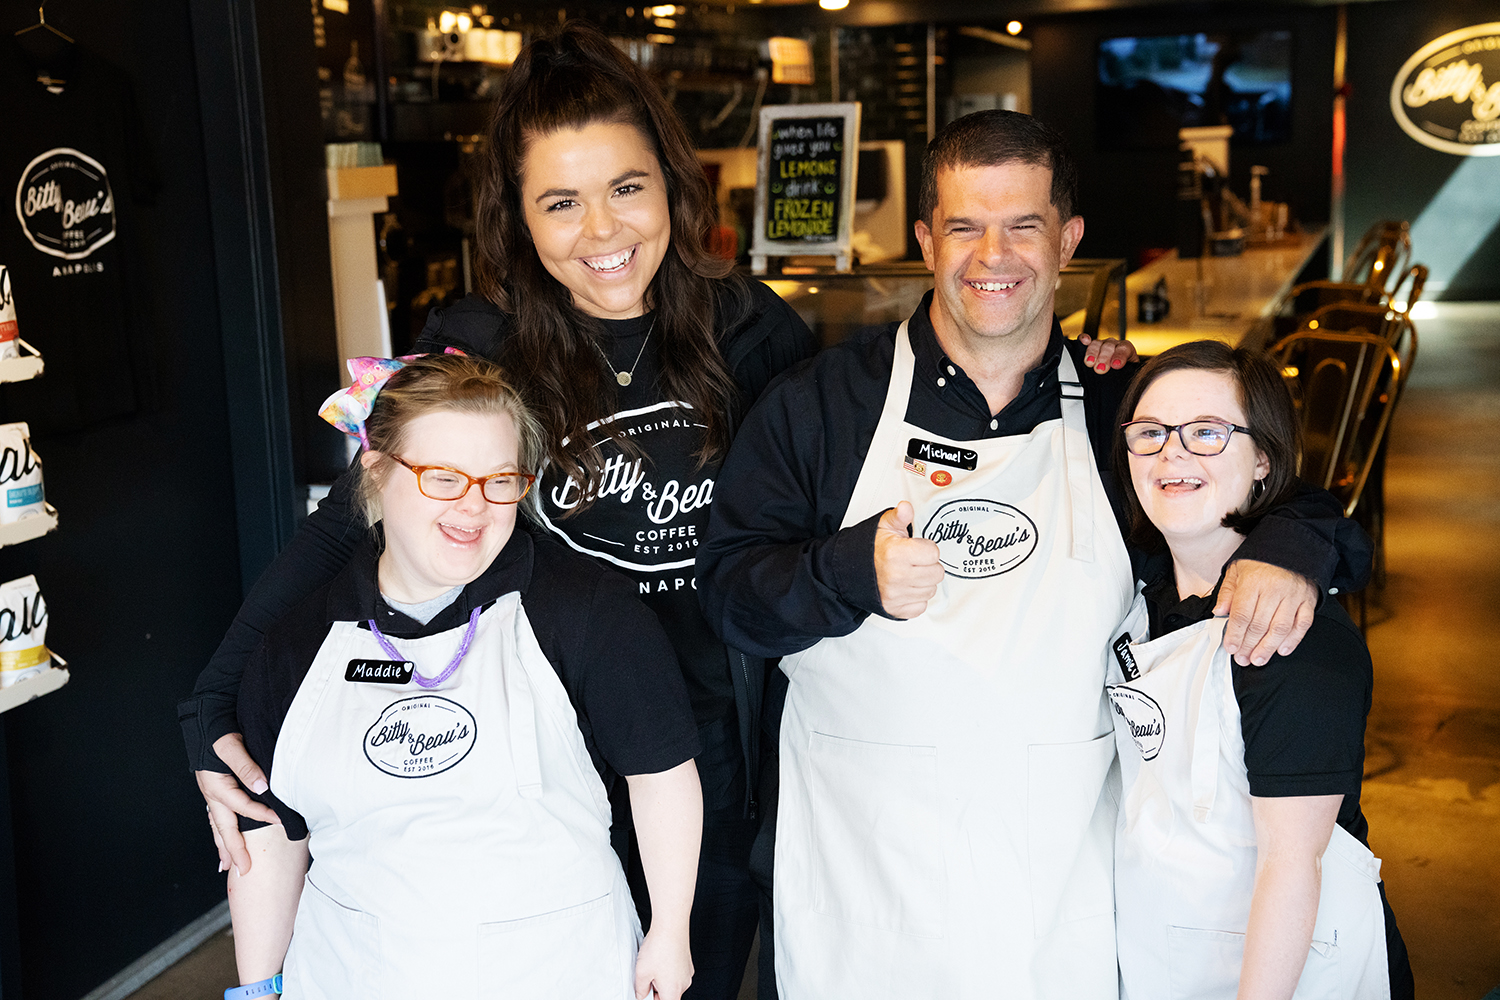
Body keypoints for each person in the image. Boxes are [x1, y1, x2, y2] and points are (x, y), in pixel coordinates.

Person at [180, 22, 823, 1000]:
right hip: (529, 754)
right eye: (561, 203)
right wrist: (211, 702)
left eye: (626, 188)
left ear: (671, 186)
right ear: (520, 218)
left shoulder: (751, 328)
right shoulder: (472, 341)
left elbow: (847, 475)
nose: (602, 233)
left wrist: (1093, 388)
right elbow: (359, 509)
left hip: (707, 754)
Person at [696, 109, 1373, 1000]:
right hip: (862, 871)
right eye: (967, 227)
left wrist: (1292, 547)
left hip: (1060, 883)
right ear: (926, 241)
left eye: (1024, 225)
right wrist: (845, 573)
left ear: (1068, 242)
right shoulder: (818, 407)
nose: (994, 255)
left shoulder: (1116, 402)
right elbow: (730, 597)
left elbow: (1269, 488)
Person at [223, 353, 702, 1000]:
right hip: (355, 974)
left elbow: (662, 775)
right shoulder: (299, 641)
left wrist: (669, 935)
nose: (474, 507)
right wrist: (255, 989)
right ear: (377, 470)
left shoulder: (585, 614)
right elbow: (273, 833)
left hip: (558, 971)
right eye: (444, 478)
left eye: (500, 480)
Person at [1107, 340, 1413, 1000]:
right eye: (1152, 433)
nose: (1172, 454)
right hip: (1170, 950)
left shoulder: (1287, 634)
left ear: (1262, 461)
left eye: (1208, 434)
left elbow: (1291, 863)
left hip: (1285, 971)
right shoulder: (1144, 592)